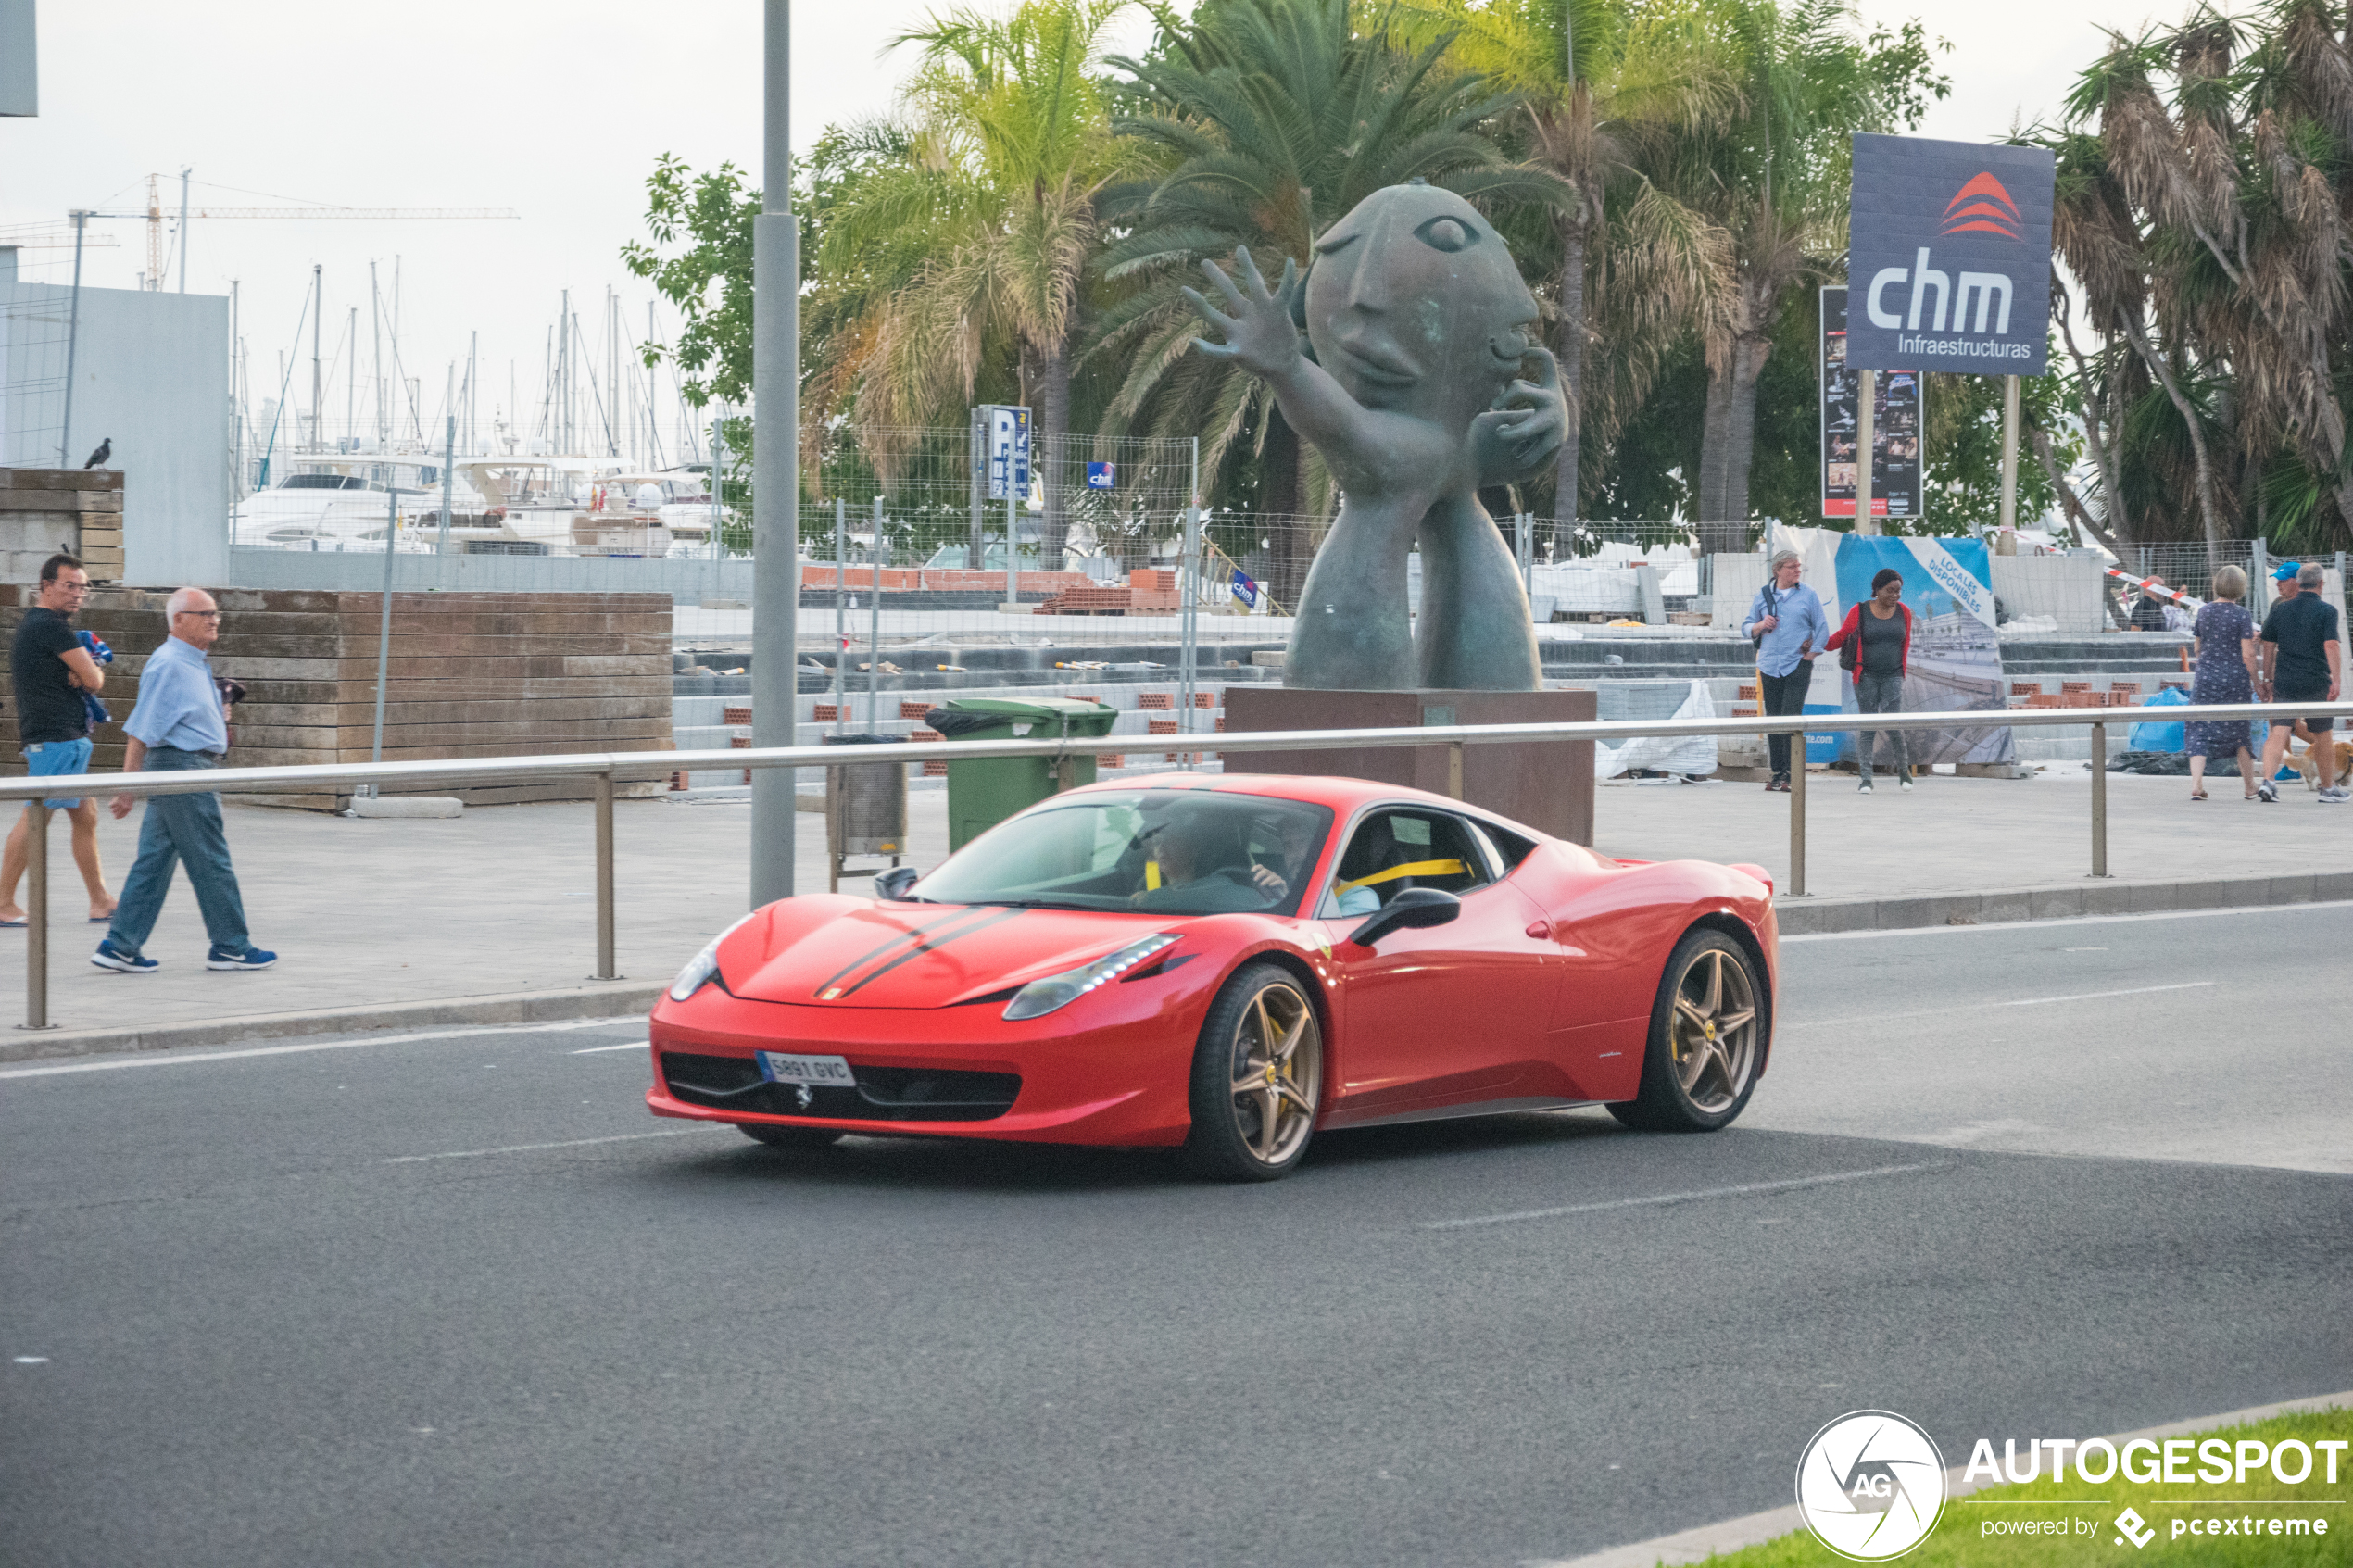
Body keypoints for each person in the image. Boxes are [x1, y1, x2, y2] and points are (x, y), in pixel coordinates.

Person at [91, 588, 277, 973]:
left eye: (216, 614)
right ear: (178, 620)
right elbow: (141, 730)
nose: (214, 619)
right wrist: (128, 787)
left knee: (155, 860)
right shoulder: (170, 663)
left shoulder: (191, 661)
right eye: (204, 613)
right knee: (211, 858)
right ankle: (230, 945)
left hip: (186, 764)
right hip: (182, 768)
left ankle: (121, 946)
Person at [0, 553, 117, 925]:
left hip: (63, 737)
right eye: (69, 586)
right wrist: (86, 672)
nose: (78, 594)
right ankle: (2, 903)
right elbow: (96, 680)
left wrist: (80, 672)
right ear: (46, 586)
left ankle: (101, 901)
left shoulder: (41, 626)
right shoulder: (50, 627)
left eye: (83, 588)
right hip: (56, 738)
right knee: (35, 817)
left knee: (85, 817)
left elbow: (83, 675)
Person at [2254, 561, 2345, 804]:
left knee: (2279, 730)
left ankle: (2269, 782)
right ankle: (2327, 788)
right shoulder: (2327, 611)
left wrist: (2268, 679)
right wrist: (2336, 679)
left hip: (2286, 679)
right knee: (2323, 734)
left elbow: (2269, 645)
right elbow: (2331, 645)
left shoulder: (2281, 610)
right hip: (2315, 680)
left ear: (2299, 581)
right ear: (2321, 584)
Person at [1741, 550, 1828, 793]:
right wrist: (1760, 625)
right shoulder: (1763, 595)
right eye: (1791, 566)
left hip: (1796, 664)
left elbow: (1822, 628)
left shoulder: (1808, 595)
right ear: (1777, 570)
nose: (1797, 571)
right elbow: (1746, 627)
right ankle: (1777, 773)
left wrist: (1809, 657)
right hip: (1770, 665)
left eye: (1799, 566)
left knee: (1791, 716)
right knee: (1774, 719)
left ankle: (1792, 772)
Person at [1825, 568, 1915, 793]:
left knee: (1893, 722)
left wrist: (1899, 670)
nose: (1895, 595)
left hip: (1893, 675)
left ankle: (1904, 772)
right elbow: (1843, 635)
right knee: (1868, 725)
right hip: (1865, 676)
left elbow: (1905, 643)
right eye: (1890, 590)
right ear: (1877, 590)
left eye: (1899, 591)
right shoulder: (1860, 611)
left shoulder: (1904, 612)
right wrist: (1818, 645)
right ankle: (1866, 778)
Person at [2184, 565, 2259, 800]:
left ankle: (2197, 783)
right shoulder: (2242, 615)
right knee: (2239, 730)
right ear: (2240, 588)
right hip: (2235, 680)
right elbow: (2248, 655)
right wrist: (2256, 681)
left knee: (2199, 727)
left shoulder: (2204, 612)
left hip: (2206, 677)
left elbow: (2197, 647)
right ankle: (2249, 786)